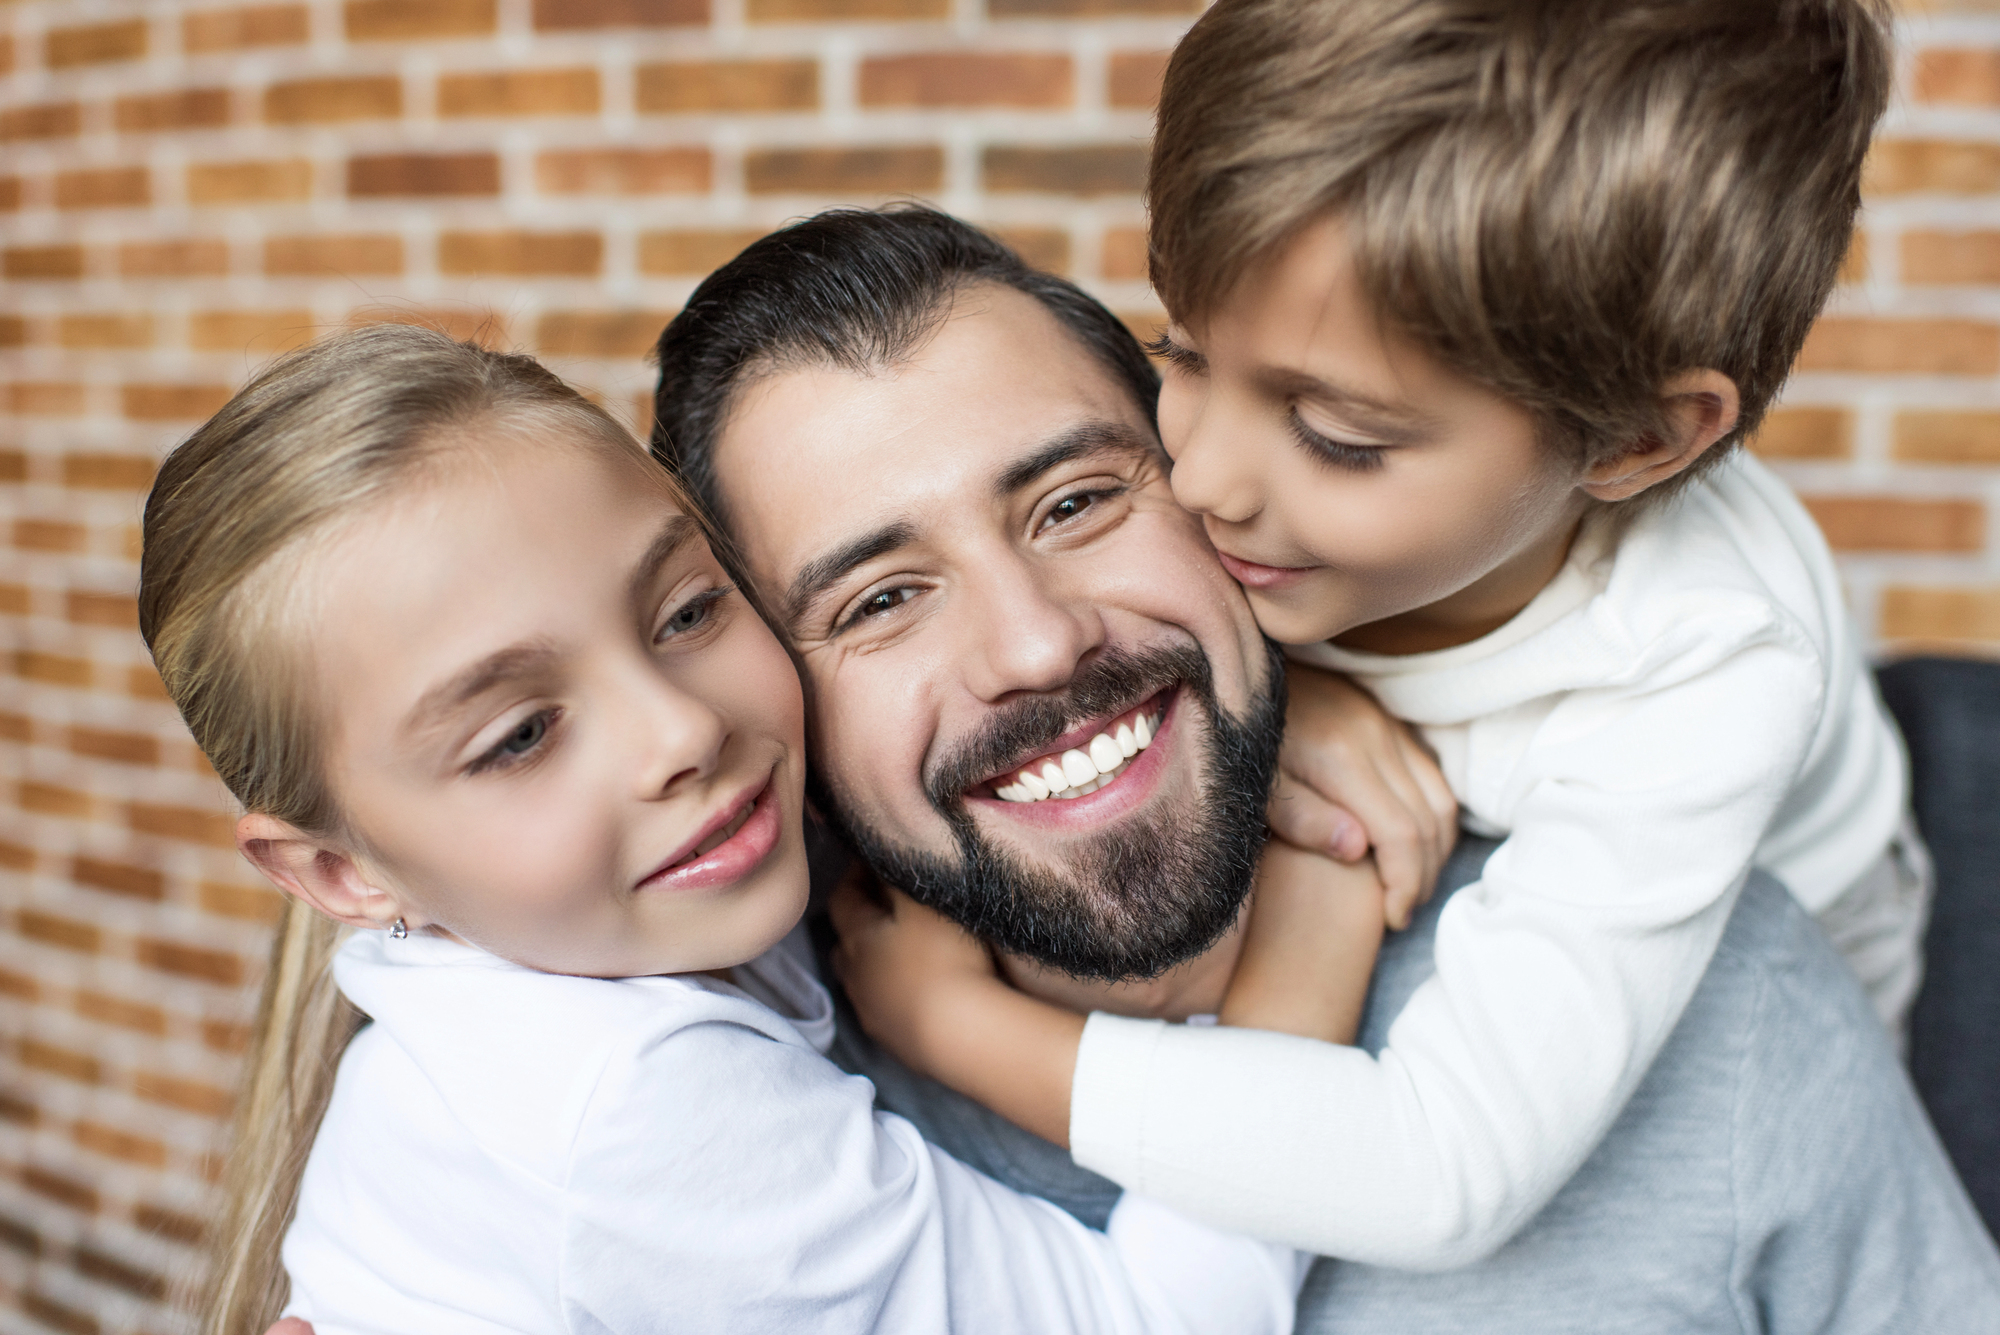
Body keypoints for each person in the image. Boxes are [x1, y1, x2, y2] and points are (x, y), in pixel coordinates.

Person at [647, 204, 2000, 1328]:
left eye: (1077, 502)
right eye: (880, 597)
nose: (1039, 643)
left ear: (1212, 505)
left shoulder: (1700, 990)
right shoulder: (728, 1142)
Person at [832, 0, 1966, 1275]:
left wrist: (950, 1025)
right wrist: (1298, 695)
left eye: (1337, 440)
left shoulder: (1706, 678)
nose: (1200, 476)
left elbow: (1438, 1175)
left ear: (1635, 444)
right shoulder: (1309, 446)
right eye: (1181, 351)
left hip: (1793, 908)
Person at [151, 323, 1329, 1335]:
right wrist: (1311, 912)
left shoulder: (635, 911)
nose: (681, 732)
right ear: (337, 872)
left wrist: (1301, 703)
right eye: (518, 736)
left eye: (688, 609)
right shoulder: (632, 1105)